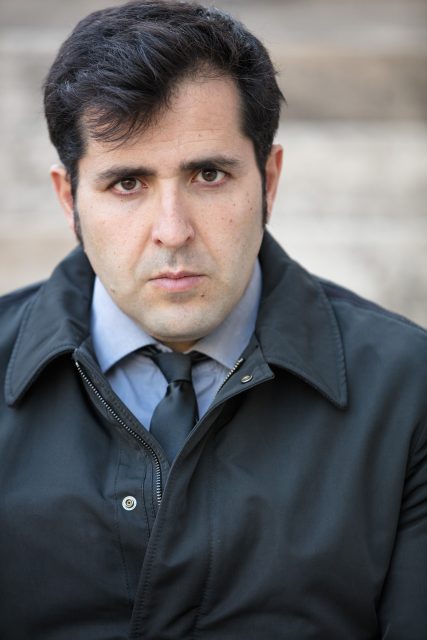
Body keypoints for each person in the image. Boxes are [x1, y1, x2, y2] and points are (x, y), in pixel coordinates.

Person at [0, 1, 426, 638]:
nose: (173, 231)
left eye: (208, 174)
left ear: (268, 181)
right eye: (127, 183)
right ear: (70, 200)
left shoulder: (409, 389)